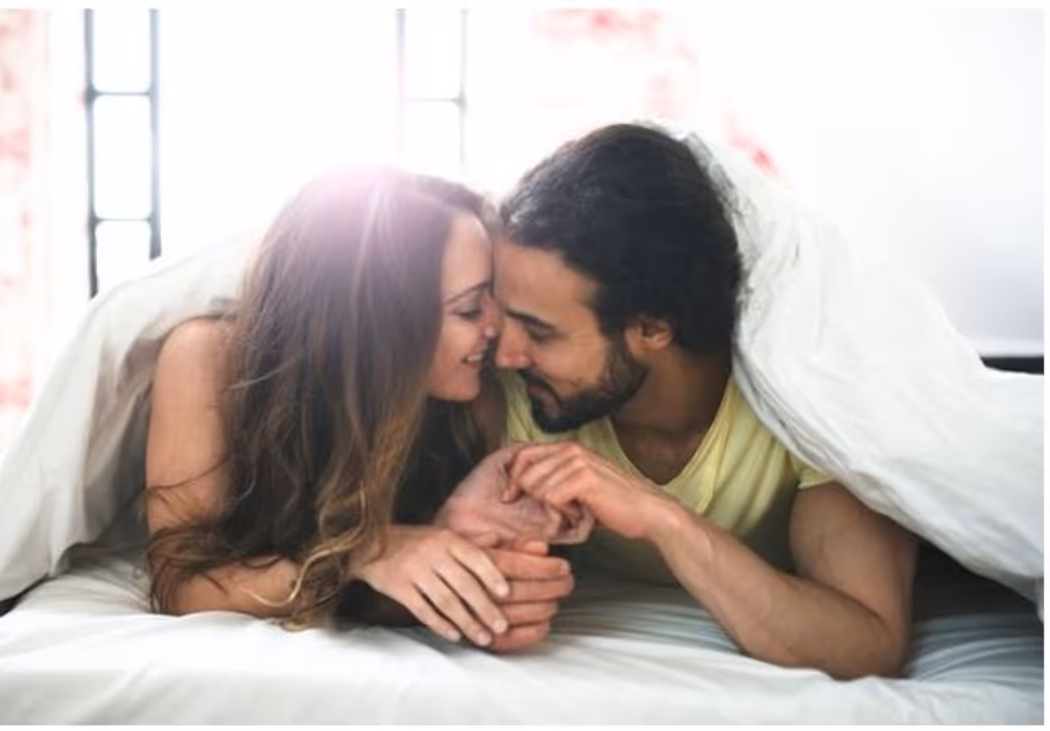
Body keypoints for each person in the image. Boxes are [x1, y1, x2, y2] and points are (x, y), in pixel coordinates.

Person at [480, 123, 920, 679]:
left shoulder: (805, 405)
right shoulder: (519, 395)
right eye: (503, 318)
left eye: (540, 332)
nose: (505, 355)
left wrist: (662, 519)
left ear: (652, 327)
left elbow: (868, 646)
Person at [143, 165, 579, 654]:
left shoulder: (474, 397)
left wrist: (473, 569)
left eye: (492, 296)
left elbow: (387, 587)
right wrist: (361, 553)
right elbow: (182, 587)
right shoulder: (208, 359)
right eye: (469, 309)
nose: (499, 329)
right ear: (381, 323)